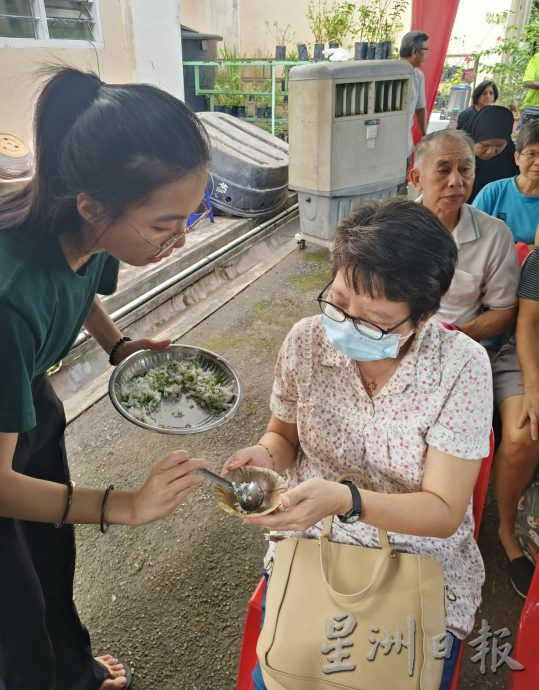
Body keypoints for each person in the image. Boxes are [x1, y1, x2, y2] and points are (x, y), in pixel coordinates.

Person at [0, 68, 212, 690]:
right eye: (165, 224)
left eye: (190, 217)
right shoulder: (9, 300)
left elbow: (82, 281)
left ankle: (72, 669)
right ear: (91, 206)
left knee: (49, 555)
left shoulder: (86, 232)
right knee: (15, 609)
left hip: (28, 400)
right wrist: (125, 506)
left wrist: (118, 344)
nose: (180, 238)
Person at [225, 199, 493, 690]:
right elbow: (283, 435)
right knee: (284, 672)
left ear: (425, 314)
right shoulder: (305, 341)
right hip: (313, 543)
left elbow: (443, 511)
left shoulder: (461, 367)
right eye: (339, 302)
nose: (346, 325)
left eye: (374, 320)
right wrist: (264, 459)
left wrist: (346, 501)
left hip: (420, 560)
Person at [409, 129, 519, 342]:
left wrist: (448, 337)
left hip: (456, 344)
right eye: (443, 170)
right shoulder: (391, 228)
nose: (456, 181)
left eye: (465, 169)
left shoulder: (495, 235)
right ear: (417, 178)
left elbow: (503, 310)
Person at [492, 248, 539, 597]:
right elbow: (527, 324)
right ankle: (507, 531)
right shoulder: (538, 261)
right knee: (523, 433)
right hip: (529, 360)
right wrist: (534, 386)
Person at [473, 119, 539, 246]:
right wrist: (527, 250)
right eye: (532, 154)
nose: (538, 162)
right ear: (517, 157)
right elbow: (471, 235)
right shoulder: (493, 192)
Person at [462, 104, 519, 202]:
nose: (491, 151)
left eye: (499, 146)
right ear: (473, 138)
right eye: (485, 145)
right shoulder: (456, 154)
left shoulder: (513, 157)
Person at [399, 30, 429, 166]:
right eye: (425, 50)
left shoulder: (418, 76)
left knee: (402, 181)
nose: (427, 55)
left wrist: (425, 136)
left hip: (405, 144)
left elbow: (420, 108)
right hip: (384, 144)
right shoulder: (389, 73)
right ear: (414, 51)